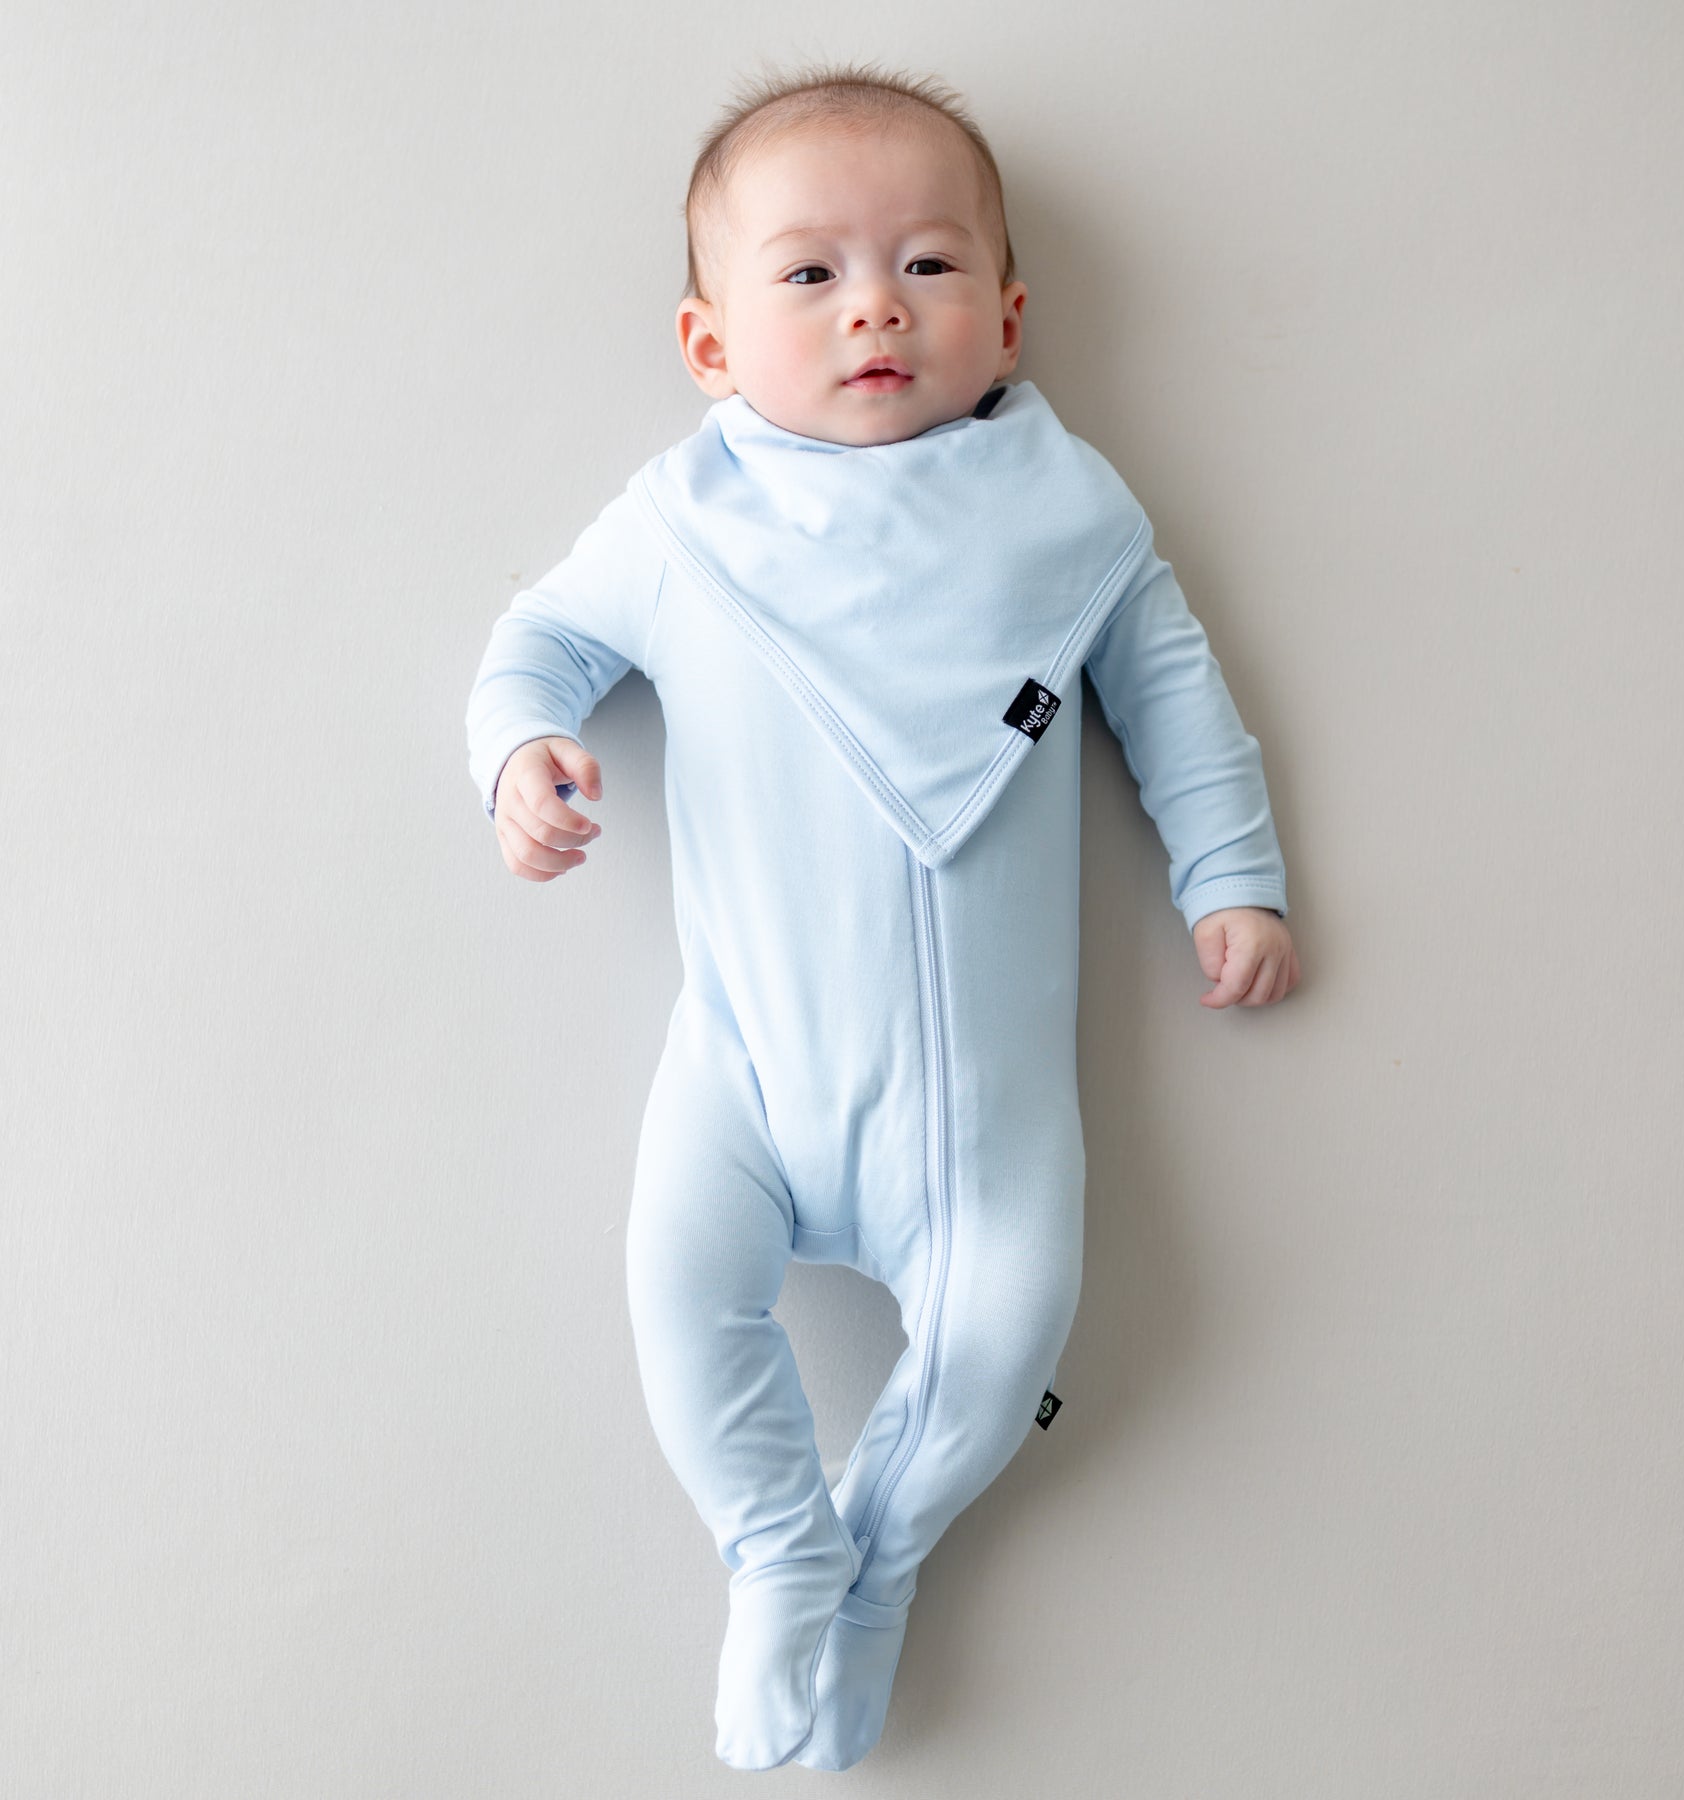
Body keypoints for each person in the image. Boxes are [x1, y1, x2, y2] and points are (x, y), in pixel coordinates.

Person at [463, 60, 1300, 1773]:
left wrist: (1233, 877)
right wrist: (518, 754)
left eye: (926, 266)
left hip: (986, 1121)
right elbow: (537, 644)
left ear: (1007, 315)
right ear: (708, 347)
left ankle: (877, 1549)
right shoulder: (686, 529)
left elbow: (1184, 710)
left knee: (1011, 1339)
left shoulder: (1074, 525)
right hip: (749, 1075)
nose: (875, 311)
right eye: (810, 274)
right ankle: (778, 1543)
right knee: (675, 1297)